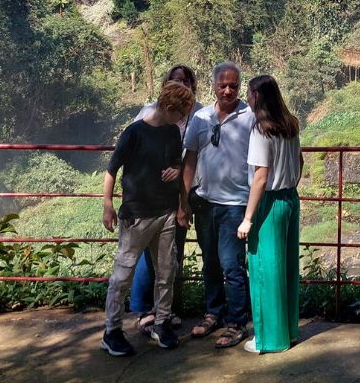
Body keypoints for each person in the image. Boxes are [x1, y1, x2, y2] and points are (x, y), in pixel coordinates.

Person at [101, 81, 193, 357]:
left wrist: (176, 175)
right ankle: (111, 330)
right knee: (123, 274)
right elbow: (112, 169)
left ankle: (162, 322)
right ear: (167, 107)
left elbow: (177, 163)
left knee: (167, 270)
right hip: (136, 215)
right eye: (180, 113)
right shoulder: (134, 132)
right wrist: (108, 204)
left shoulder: (173, 133)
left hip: (165, 212)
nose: (182, 119)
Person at [180, 61, 254, 349]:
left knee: (231, 265)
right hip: (206, 202)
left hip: (236, 204)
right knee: (210, 261)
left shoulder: (250, 116)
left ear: (240, 85)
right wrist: (182, 202)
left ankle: (236, 321)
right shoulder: (200, 117)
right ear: (213, 85)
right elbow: (190, 161)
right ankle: (213, 312)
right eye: (222, 85)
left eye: (233, 85)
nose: (227, 90)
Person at [129, 65, 203, 332]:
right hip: (153, 193)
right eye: (175, 80)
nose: (181, 85)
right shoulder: (150, 111)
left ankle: (166, 310)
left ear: (193, 85)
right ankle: (142, 308)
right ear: (166, 85)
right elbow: (133, 146)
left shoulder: (200, 114)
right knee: (148, 253)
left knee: (172, 254)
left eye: (185, 80)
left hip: (186, 192)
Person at [237, 75, 302, 354]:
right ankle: (288, 331)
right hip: (289, 199)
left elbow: (261, 177)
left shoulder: (261, 130)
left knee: (265, 269)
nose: (247, 98)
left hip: (270, 203)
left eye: (249, 94)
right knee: (285, 266)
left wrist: (248, 218)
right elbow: (299, 160)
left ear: (257, 96)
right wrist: (290, 187)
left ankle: (269, 339)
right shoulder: (290, 125)